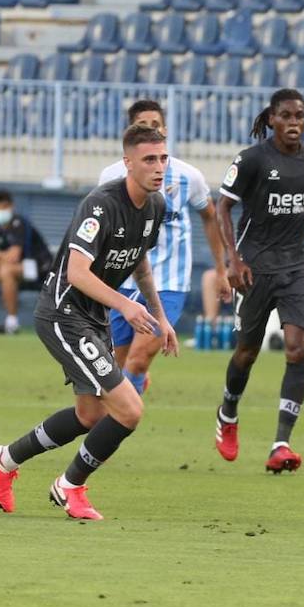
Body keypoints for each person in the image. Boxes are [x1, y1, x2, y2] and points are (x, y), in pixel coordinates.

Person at [0, 125, 176, 520]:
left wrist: (159, 314)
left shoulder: (155, 206)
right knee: (130, 410)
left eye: (163, 158)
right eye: (149, 160)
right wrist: (125, 305)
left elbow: (139, 260)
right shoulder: (100, 204)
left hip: (94, 316)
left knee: (91, 416)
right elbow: (77, 273)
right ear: (128, 163)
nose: (159, 167)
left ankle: (4, 459)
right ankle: (70, 485)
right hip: (63, 314)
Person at [213, 88, 304, 473]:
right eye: (286, 116)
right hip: (255, 267)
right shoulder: (252, 160)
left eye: (300, 116)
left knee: (298, 348)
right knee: (246, 352)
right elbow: (223, 206)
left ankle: (281, 443)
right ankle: (228, 411)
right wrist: (232, 260)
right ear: (271, 119)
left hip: (298, 265)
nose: (294, 123)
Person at [98, 100, 231, 392]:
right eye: (143, 126)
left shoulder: (188, 176)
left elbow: (210, 217)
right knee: (115, 366)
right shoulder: (110, 177)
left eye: (155, 125)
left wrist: (221, 269)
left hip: (170, 281)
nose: (150, 131)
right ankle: (127, 394)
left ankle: (117, 424)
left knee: (138, 358)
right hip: (124, 280)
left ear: (165, 130)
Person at [0, 190, 52, 334]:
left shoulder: (20, 224)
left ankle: (12, 322)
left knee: (6, 270)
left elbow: (13, 256)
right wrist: (1, 257)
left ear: (11, 207)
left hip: (37, 271)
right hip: (9, 269)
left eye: (3, 207)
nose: (0, 211)